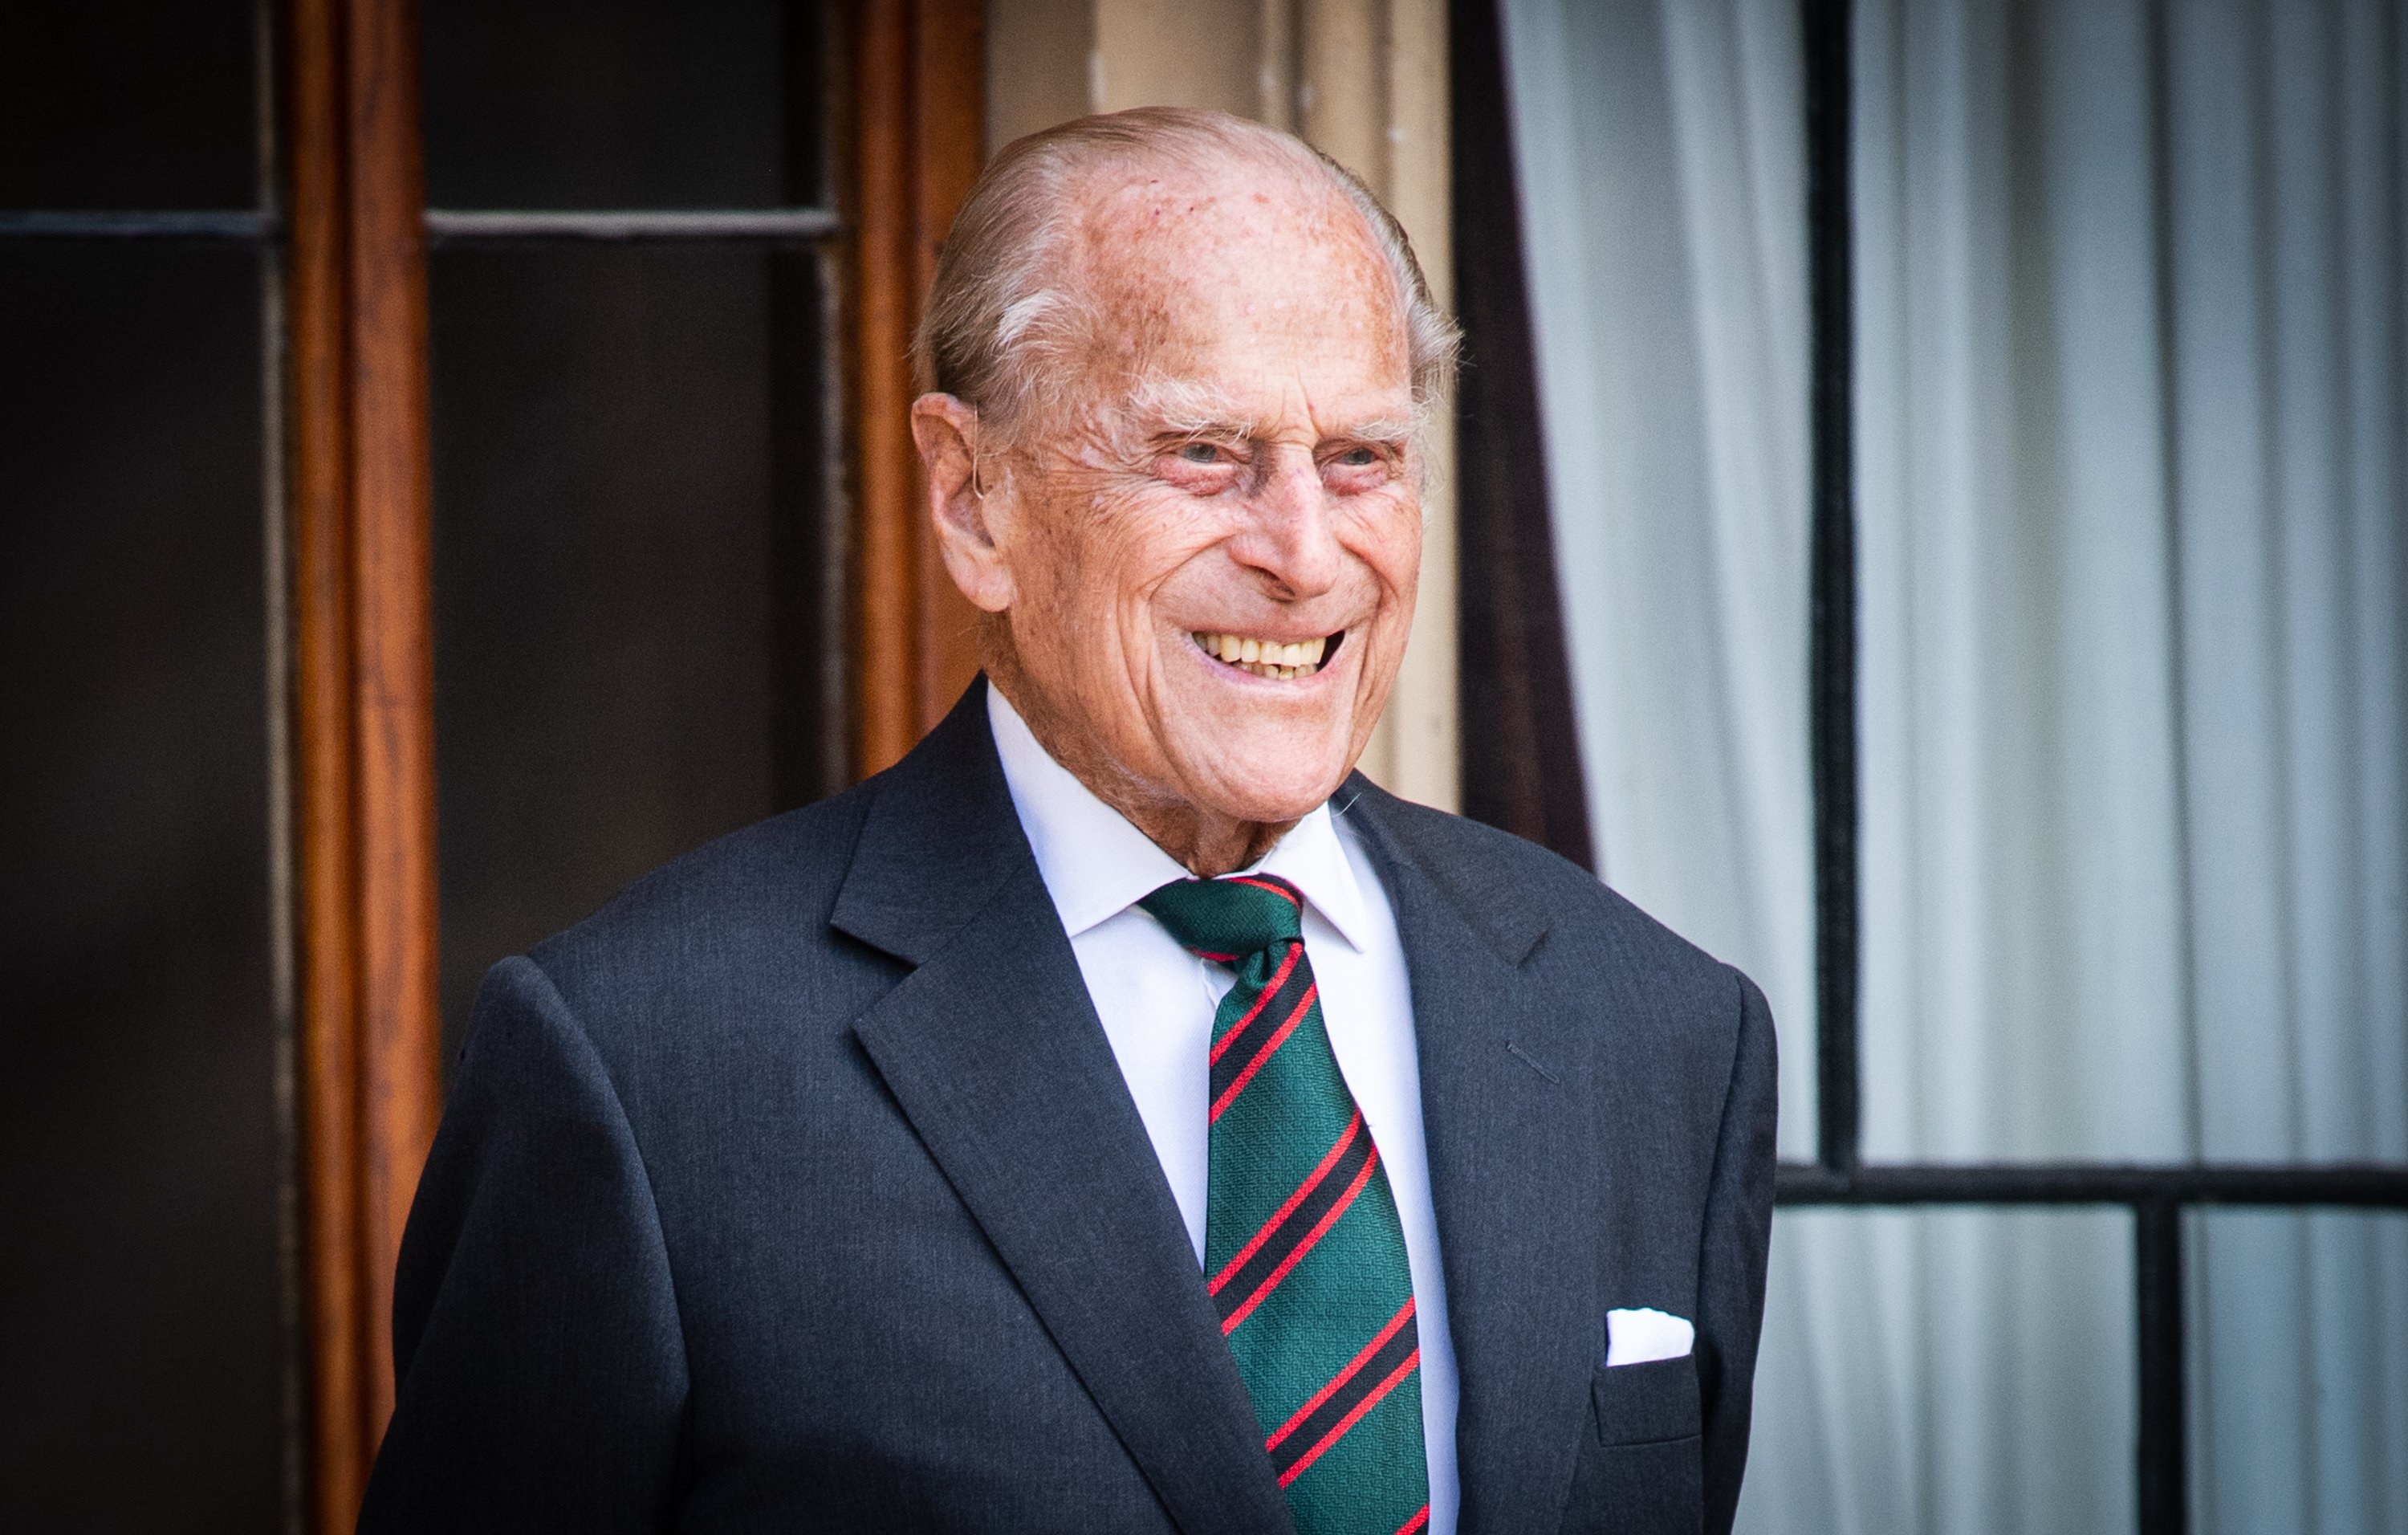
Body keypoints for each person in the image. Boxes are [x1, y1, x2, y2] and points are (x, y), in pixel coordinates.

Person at [360, 107, 1775, 1535]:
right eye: (1205, 452)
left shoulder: (1654, 1030)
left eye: (1360, 457)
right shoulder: (644, 1064)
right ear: (975, 500)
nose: (1303, 551)